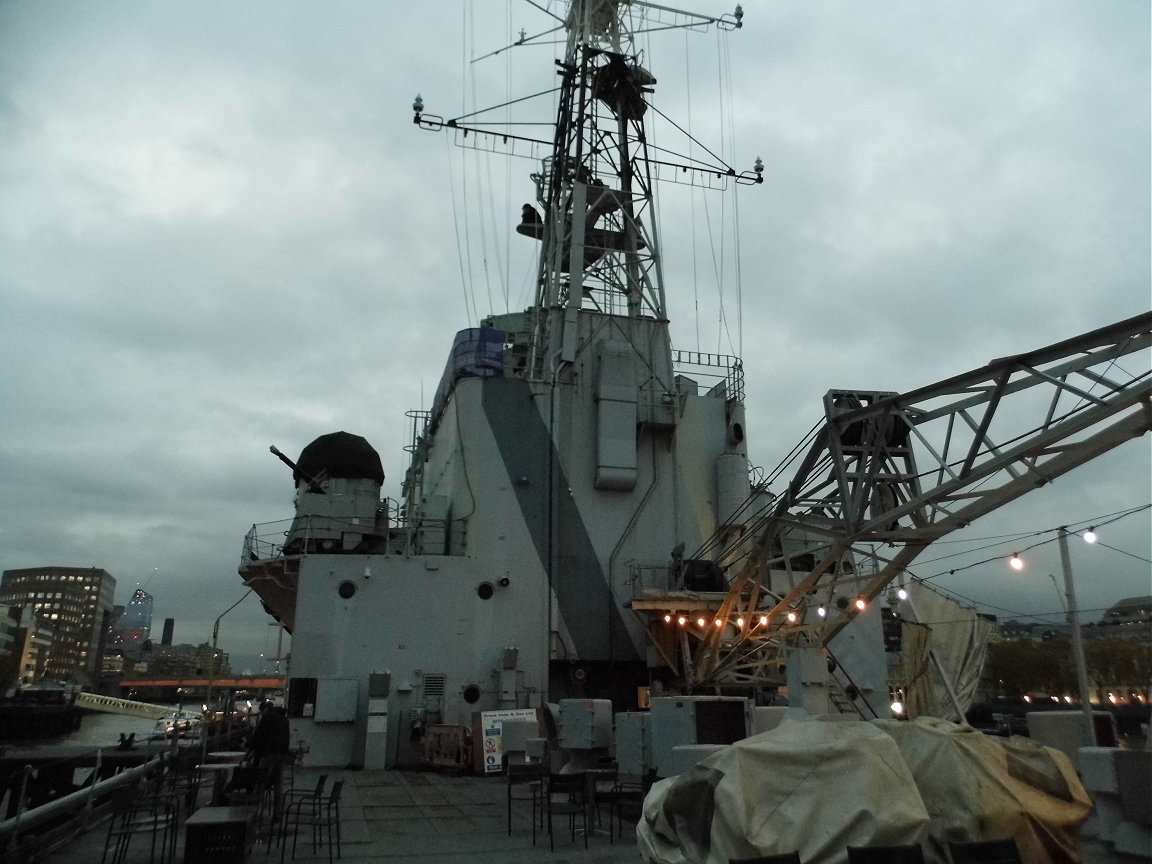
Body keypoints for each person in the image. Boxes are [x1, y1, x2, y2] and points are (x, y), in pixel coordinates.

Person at [248, 700, 291, 813]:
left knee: (260, 779)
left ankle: (253, 809)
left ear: (265, 710)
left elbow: (259, 735)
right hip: (282, 753)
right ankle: (278, 811)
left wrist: (252, 750)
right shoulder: (284, 719)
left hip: (270, 752)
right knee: (278, 783)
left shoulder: (267, 718)